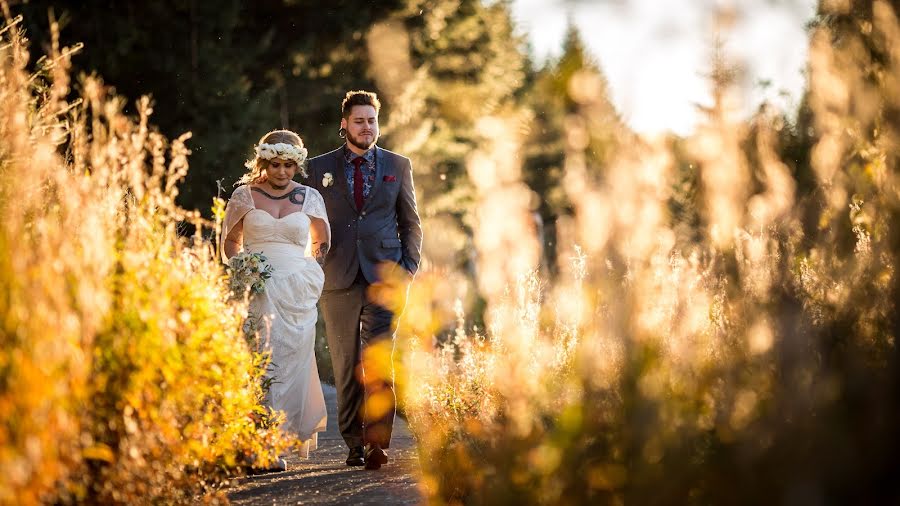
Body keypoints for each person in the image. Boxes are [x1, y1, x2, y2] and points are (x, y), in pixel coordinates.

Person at [306, 90, 423, 470]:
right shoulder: (317, 167)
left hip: (385, 277)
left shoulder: (398, 165)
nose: (366, 127)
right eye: (359, 120)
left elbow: (411, 223)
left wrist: (406, 270)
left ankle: (377, 443)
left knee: (378, 361)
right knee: (344, 362)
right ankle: (353, 442)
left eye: (371, 120)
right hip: (337, 277)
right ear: (344, 124)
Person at [221, 130, 330, 464]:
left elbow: (321, 242)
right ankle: (255, 440)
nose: (282, 172)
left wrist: (308, 275)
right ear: (264, 163)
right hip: (258, 289)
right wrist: (243, 271)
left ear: (297, 165)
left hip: (296, 293)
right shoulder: (244, 196)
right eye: (275, 165)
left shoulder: (310, 197)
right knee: (259, 360)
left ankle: (278, 442)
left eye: (288, 165)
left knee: (291, 362)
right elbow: (230, 242)